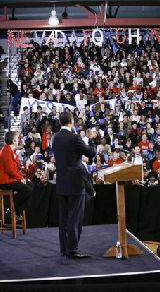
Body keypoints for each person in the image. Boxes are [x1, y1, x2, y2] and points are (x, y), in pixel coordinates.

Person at [52, 111, 96, 259]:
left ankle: (64, 249)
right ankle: (73, 250)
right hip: (76, 185)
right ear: (71, 121)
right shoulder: (74, 138)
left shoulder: (55, 138)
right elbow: (91, 153)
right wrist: (90, 139)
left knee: (63, 218)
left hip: (62, 184)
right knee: (74, 218)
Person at [0, 131, 33, 219]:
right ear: (14, 140)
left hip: (11, 178)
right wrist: (20, 178)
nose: (18, 140)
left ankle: (17, 209)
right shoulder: (6, 151)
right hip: (4, 181)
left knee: (30, 185)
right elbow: (10, 170)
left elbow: (16, 169)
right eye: (17, 138)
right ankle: (11, 208)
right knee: (27, 190)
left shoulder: (11, 151)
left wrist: (22, 177)